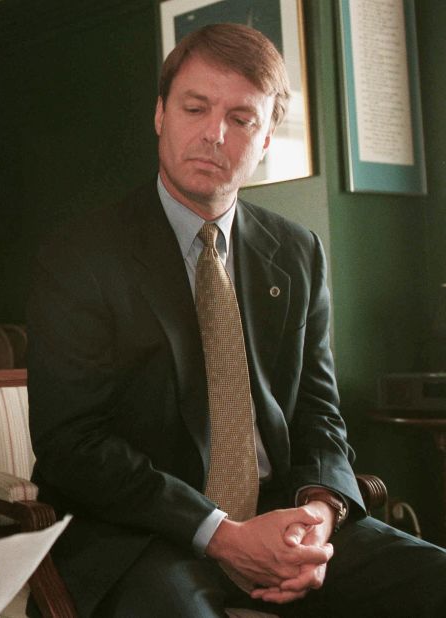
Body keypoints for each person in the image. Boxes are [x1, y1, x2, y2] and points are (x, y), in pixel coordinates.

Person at [27, 23, 446, 617]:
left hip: (283, 525)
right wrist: (222, 534)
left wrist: (318, 518)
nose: (213, 134)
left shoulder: (298, 253)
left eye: (242, 119)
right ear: (159, 114)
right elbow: (73, 446)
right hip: (145, 537)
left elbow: (320, 415)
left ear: (268, 135)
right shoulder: (80, 256)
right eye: (195, 107)